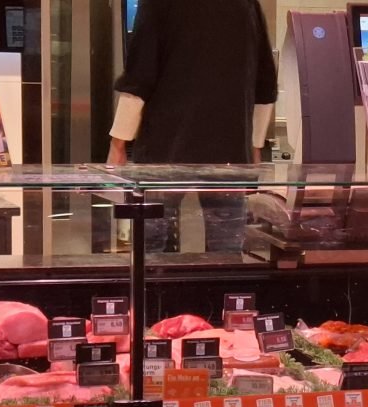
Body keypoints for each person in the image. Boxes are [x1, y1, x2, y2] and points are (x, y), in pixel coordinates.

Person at [108, 0, 277, 253]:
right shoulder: (246, 4)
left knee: (152, 253)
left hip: (166, 151)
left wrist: (118, 143)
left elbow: (139, 77)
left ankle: (158, 281)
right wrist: (254, 146)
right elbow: (265, 85)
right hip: (229, 151)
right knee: (225, 252)